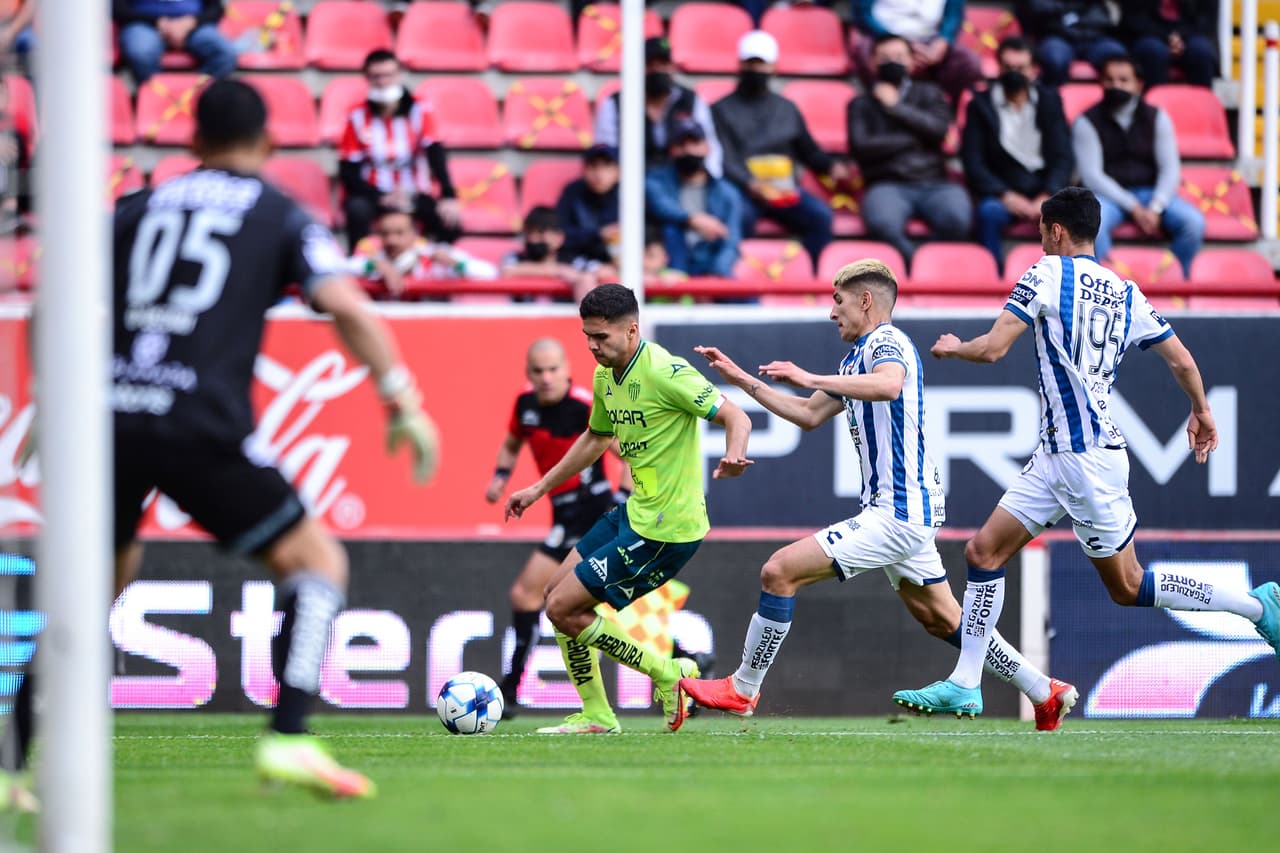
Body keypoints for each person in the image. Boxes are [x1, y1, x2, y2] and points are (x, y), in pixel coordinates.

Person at [4, 80, 440, 806]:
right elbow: (343, 303)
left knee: (92, 591)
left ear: (191, 142)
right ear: (269, 143)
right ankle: (289, 736)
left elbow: (50, 302)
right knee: (317, 561)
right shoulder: (280, 215)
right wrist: (401, 397)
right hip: (197, 419)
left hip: (108, 416)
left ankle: (7, 764)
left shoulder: (134, 208)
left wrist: (51, 400)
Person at [892, 186, 1280, 718]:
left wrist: (954, 347)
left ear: (1054, 231)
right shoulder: (1125, 292)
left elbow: (994, 347)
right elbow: (1182, 360)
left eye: (1041, 233)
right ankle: (966, 681)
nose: (1040, 242)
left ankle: (1257, 605)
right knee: (983, 553)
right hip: (1056, 456)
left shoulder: (1046, 273)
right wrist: (1201, 411)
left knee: (1128, 584)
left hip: (1086, 460)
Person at [679, 260, 1077, 731]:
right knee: (943, 619)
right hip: (903, 509)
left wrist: (810, 376)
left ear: (865, 300)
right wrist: (742, 379)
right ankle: (1043, 690)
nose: (832, 313)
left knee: (778, 571)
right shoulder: (856, 359)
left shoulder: (886, 342)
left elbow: (889, 385)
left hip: (900, 512)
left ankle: (743, 688)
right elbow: (807, 415)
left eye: (838, 300)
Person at [504, 283, 753, 734]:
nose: (593, 347)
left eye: (601, 337)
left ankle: (668, 674)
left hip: (667, 529)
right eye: (588, 337)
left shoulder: (665, 372)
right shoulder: (604, 378)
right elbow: (596, 439)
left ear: (632, 330)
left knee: (563, 608)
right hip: (635, 512)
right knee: (554, 600)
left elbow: (737, 415)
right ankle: (598, 714)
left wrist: (734, 456)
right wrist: (538, 487)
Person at [483, 339, 628, 713]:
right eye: (538, 371)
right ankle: (682, 657)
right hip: (563, 515)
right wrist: (501, 475)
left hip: (593, 514)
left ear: (566, 370)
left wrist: (621, 502)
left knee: (554, 598)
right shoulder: (525, 406)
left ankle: (512, 688)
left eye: (552, 370)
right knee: (535, 597)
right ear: (528, 374)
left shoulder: (584, 407)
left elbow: (628, 454)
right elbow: (513, 442)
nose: (546, 378)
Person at [712, 30, 847, 271]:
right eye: (751, 63)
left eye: (762, 64)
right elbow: (723, 158)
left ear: (774, 67)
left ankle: (811, 278)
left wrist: (831, 166)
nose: (756, 70)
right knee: (736, 218)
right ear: (740, 64)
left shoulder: (787, 109)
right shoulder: (720, 110)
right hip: (744, 192)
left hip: (784, 190)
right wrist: (750, 184)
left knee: (820, 216)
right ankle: (739, 280)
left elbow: (809, 151)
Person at [1073, 54, 1204, 276]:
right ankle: (1104, 288)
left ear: (1138, 85)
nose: (1116, 85)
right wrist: (1134, 207)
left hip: (1151, 193)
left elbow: (1170, 170)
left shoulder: (1157, 118)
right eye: (1109, 79)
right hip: (1107, 197)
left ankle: (1171, 280)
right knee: (1093, 226)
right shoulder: (1086, 122)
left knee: (1193, 223)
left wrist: (1155, 208)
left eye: (1124, 80)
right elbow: (1092, 176)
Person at [848, 33, 971, 266]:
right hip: (886, 183)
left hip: (935, 182)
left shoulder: (931, 93)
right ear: (872, 62)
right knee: (882, 224)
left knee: (958, 218)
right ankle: (915, 264)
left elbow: (937, 130)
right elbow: (861, 147)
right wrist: (915, 139)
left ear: (912, 61)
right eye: (884, 57)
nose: (892, 62)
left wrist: (895, 106)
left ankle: (931, 266)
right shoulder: (861, 104)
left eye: (898, 56)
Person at [961, 36, 1073, 271]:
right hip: (1003, 192)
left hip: (1046, 190)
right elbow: (973, 162)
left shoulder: (1050, 101)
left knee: (1074, 217)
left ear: (1033, 70)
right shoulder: (980, 105)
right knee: (988, 213)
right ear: (998, 68)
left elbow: (1063, 157)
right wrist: (1006, 195)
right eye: (1008, 67)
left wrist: (1048, 194)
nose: (1014, 73)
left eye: (1020, 68)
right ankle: (992, 277)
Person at [338, 49, 461, 245]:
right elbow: (348, 171)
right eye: (376, 76)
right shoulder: (357, 116)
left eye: (388, 75)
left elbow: (435, 153)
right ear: (367, 78)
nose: (383, 82)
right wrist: (382, 196)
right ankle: (359, 264)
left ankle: (433, 266)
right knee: (356, 210)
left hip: (412, 191)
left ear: (399, 75)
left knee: (449, 221)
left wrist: (448, 195)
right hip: (374, 194)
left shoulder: (420, 109)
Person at [593, 35, 723, 178]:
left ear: (672, 67)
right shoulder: (615, 103)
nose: (657, 70)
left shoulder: (691, 100)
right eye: (650, 64)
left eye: (663, 63)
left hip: (679, 182)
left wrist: (708, 181)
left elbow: (711, 149)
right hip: (630, 183)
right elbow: (606, 153)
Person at [644, 119, 744, 278]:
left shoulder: (727, 193)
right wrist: (693, 219)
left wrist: (715, 277)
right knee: (671, 229)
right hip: (667, 270)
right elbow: (659, 205)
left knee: (748, 299)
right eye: (681, 144)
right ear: (672, 150)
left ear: (707, 147)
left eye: (695, 143)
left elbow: (731, 242)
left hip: (710, 267)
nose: (688, 150)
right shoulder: (656, 181)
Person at [851, 0, 983, 104]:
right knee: (864, 52)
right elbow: (862, 15)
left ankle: (943, 110)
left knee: (968, 63)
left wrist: (943, 41)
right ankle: (879, 105)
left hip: (930, 41)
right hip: (884, 37)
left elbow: (954, 16)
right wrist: (903, 46)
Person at [349, 206, 495, 299]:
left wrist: (455, 263)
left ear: (415, 234)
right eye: (385, 234)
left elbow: (489, 273)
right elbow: (337, 270)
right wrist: (378, 266)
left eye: (399, 233)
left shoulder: (435, 257)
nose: (391, 241)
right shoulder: (374, 261)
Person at [113, 0, 239, 85]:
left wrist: (190, 22)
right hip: (144, 23)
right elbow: (118, 9)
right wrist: (159, 22)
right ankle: (157, 98)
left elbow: (216, 8)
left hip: (194, 24)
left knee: (225, 53)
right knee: (140, 51)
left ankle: (195, 97)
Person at [501, 205, 608, 301]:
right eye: (529, 233)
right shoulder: (515, 258)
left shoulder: (572, 262)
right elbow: (507, 271)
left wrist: (584, 277)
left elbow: (606, 271)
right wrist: (560, 271)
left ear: (559, 238)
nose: (533, 240)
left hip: (564, 321)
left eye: (540, 234)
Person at [1014, 0, 1128, 88]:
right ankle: (1051, 103)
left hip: (1094, 36)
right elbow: (1037, 7)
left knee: (1118, 58)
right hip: (1057, 35)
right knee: (1054, 59)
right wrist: (1069, 6)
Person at [1120, 0, 1216, 88]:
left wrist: (1179, 36)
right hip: (1148, 33)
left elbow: (1206, 19)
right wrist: (1167, 37)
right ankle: (1152, 104)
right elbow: (1133, 18)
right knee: (1154, 51)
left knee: (1201, 51)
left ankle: (1203, 103)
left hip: (1189, 32)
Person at [557, 144, 620, 270]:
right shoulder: (572, 192)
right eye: (593, 167)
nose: (599, 174)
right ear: (584, 170)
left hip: (620, 264)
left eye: (606, 167)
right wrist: (599, 234)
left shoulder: (630, 196)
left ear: (618, 171)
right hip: (579, 263)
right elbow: (560, 234)